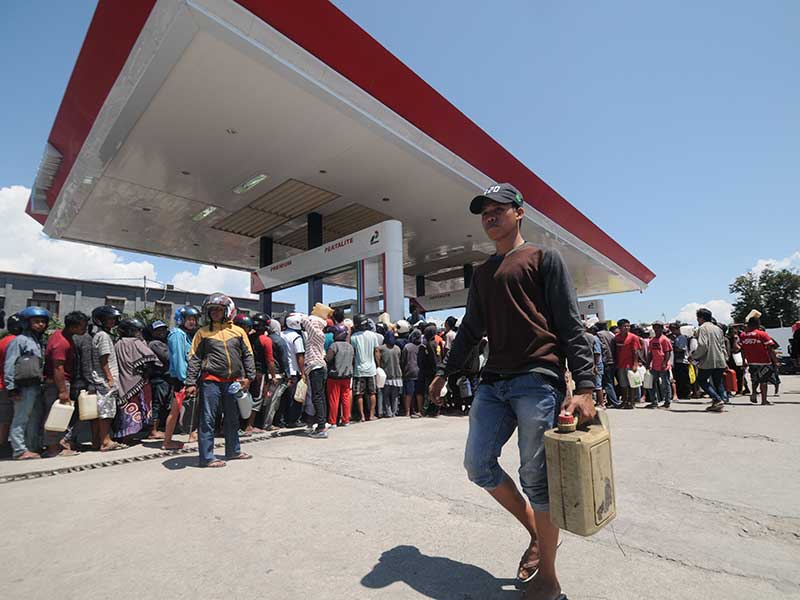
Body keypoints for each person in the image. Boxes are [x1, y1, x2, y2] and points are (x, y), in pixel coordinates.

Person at [429, 183, 595, 600]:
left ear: (519, 213)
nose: (489, 216)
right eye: (484, 211)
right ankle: (538, 533)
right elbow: (471, 329)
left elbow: (569, 323)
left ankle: (549, 579)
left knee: (536, 479)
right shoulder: (483, 273)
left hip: (537, 379)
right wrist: (446, 372)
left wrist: (585, 386)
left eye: (498, 209)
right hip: (493, 383)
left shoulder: (543, 258)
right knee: (478, 465)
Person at [185, 293, 256, 467]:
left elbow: (248, 355)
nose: (215, 313)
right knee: (207, 419)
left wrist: (249, 377)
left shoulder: (238, 331)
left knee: (232, 418)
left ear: (227, 311)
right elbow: (194, 358)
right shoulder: (202, 333)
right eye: (212, 310)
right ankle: (207, 458)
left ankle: (233, 451)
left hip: (233, 382)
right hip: (210, 381)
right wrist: (190, 382)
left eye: (218, 309)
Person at [4, 307, 50, 460]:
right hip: (23, 387)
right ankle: (19, 450)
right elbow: (10, 364)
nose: (40, 324)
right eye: (36, 321)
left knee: (35, 418)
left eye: (43, 321)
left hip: (36, 386)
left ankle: (32, 447)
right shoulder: (20, 340)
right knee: (21, 418)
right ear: (26, 323)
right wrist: (11, 387)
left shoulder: (37, 341)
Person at [41, 311, 89, 457]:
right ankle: (52, 448)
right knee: (56, 416)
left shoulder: (60, 335)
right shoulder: (61, 343)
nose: (85, 329)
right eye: (82, 326)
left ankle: (56, 445)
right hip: (58, 383)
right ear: (73, 327)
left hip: (59, 382)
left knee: (59, 415)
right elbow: (58, 367)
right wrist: (62, 390)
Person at [113, 318, 159, 443]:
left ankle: (124, 435)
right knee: (135, 407)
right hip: (137, 381)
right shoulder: (135, 342)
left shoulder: (117, 343)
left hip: (122, 380)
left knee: (126, 408)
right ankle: (128, 437)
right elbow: (150, 357)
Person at [162, 304, 201, 450]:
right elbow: (178, 360)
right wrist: (186, 381)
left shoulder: (186, 335)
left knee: (187, 409)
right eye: (189, 319)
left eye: (194, 319)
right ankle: (167, 442)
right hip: (181, 380)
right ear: (181, 319)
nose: (192, 322)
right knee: (175, 411)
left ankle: (192, 434)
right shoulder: (177, 335)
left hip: (187, 379)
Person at [244, 312, 276, 433]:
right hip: (259, 373)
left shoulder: (248, 337)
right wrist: (273, 376)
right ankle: (249, 426)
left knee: (245, 397)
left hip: (246, 371)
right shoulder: (266, 340)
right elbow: (270, 360)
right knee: (257, 398)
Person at [304, 303, 333, 438]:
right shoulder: (319, 334)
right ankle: (322, 424)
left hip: (316, 367)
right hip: (319, 367)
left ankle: (321, 427)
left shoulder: (317, 333)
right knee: (320, 397)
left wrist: (301, 317)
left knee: (317, 397)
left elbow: (306, 322)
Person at [739, 315, 779, 406]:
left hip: (751, 361)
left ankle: (754, 393)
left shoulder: (743, 335)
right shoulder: (762, 334)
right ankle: (764, 400)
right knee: (763, 381)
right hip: (764, 361)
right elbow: (771, 349)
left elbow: (742, 350)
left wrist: (743, 361)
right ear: (758, 324)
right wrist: (775, 361)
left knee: (754, 379)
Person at [693, 308, 727, 412]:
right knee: (718, 382)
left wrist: (695, 356)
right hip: (720, 359)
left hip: (708, 359)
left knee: (701, 380)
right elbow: (722, 345)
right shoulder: (718, 329)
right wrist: (725, 358)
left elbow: (703, 345)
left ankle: (717, 399)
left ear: (701, 318)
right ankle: (721, 400)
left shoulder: (702, 328)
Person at [277, 313, 306, 429]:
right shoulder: (296, 337)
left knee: (283, 398)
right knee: (295, 397)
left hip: (283, 371)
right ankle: (293, 420)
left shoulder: (281, 334)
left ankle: (281, 420)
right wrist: (303, 373)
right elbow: (300, 356)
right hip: (294, 371)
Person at [0, 314, 23, 452]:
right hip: (8, 385)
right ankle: (3, 445)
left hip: (2, 383)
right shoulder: (16, 342)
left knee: (4, 416)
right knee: (6, 418)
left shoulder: (3, 340)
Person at [146, 320, 172, 441]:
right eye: (158, 330)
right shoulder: (154, 344)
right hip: (159, 377)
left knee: (164, 403)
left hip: (166, 377)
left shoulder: (163, 342)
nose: (162, 332)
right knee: (157, 403)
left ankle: (160, 427)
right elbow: (168, 357)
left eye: (163, 329)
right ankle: (153, 430)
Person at [350, 313, 379, 422]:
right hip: (371, 369)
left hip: (358, 370)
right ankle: (371, 415)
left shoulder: (353, 337)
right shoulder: (373, 335)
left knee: (359, 394)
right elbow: (376, 352)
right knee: (372, 393)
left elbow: (353, 354)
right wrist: (378, 365)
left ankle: (362, 416)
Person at [325, 323, 354, 427]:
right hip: (347, 376)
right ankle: (346, 420)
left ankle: (333, 422)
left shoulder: (334, 345)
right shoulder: (350, 346)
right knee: (345, 399)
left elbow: (328, 359)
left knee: (334, 399)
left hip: (334, 377)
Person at [614, 319, 642, 409]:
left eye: (628, 326)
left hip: (630, 364)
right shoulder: (616, 338)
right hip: (620, 365)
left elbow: (636, 352)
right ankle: (624, 401)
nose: (627, 328)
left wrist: (635, 364)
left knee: (632, 384)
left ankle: (632, 402)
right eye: (624, 326)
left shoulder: (633, 337)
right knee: (623, 384)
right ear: (619, 327)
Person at [645, 321, 672, 409]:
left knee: (665, 384)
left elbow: (667, 352)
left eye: (658, 327)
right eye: (655, 327)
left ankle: (667, 402)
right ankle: (654, 401)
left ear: (662, 328)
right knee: (650, 383)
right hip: (654, 366)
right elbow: (650, 353)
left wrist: (664, 363)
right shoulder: (652, 340)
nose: (656, 329)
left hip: (663, 366)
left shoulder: (664, 339)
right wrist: (648, 363)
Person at [376, 330, 403, 417]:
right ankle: (394, 412)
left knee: (386, 395)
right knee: (395, 396)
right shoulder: (397, 348)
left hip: (386, 375)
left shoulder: (381, 348)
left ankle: (388, 412)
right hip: (397, 375)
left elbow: (378, 358)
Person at [594, 322, 619, 408]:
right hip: (613, 360)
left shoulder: (599, 335)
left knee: (608, 383)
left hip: (606, 361)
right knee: (611, 381)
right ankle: (612, 401)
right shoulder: (611, 334)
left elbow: (601, 349)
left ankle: (615, 402)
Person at [401, 328, 422, 417]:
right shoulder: (422, 346)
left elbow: (403, 360)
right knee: (419, 393)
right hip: (420, 372)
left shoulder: (407, 347)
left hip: (409, 372)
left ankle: (407, 411)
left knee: (409, 393)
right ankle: (420, 410)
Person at [670, 323, 691, 400]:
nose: (672, 331)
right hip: (677, 361)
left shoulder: (681, 338)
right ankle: (681, 393)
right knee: (679, 379)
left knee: (684, 379)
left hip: (682, 361)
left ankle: (686, 394)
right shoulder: (676, 338)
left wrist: (672, 347)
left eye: (674, 329)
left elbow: (681, 349)